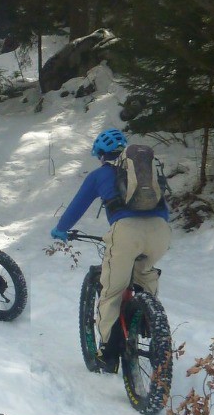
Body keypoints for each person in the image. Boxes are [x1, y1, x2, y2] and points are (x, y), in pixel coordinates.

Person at [50, 129, 170, 371]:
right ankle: (148, 321)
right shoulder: (146, 171)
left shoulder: (100, 174)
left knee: (111, 291)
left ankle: (108, 351)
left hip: (125, 233)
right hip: (161, 231)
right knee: (144, 271)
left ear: (101, 154)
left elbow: (77, 206)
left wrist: (61, 229)